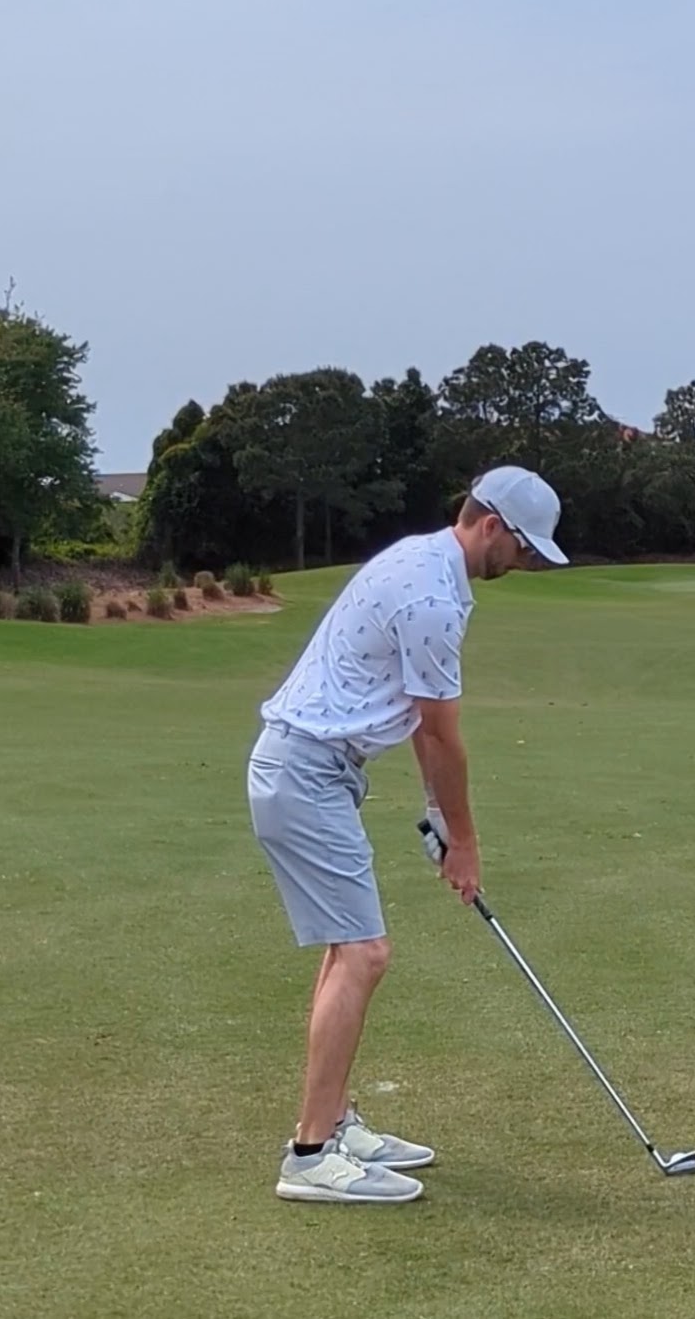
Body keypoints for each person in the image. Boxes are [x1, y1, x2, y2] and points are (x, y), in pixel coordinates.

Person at [247, 465, 568, 1204]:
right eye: (523, 549)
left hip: (316, 770)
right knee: (364, 952)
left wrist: (436, 812)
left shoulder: (428, 565)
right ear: (490, 524)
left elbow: (424, 733)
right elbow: (442, 735)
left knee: (347, 948)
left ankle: (333, 1122)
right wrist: (464, 841)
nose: (523, 565)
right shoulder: (431, 593)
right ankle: (309, 1153)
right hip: (305, 771)